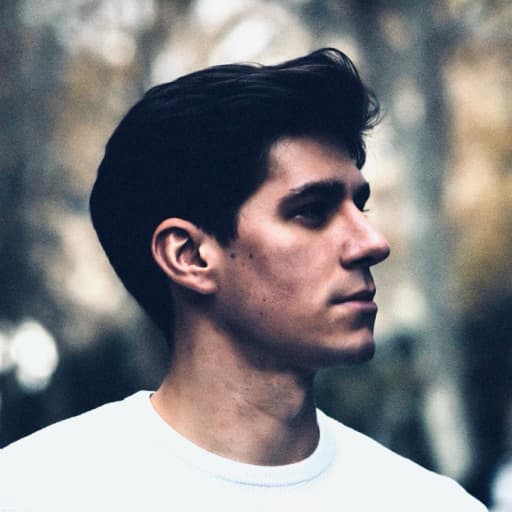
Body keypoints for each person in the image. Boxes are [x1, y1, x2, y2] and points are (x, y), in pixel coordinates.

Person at [0, 48, 486, 511]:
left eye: (360, 207)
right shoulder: (32, 494)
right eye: (312, 211)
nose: (372, 243)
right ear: (189, 256)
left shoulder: (433, 505)